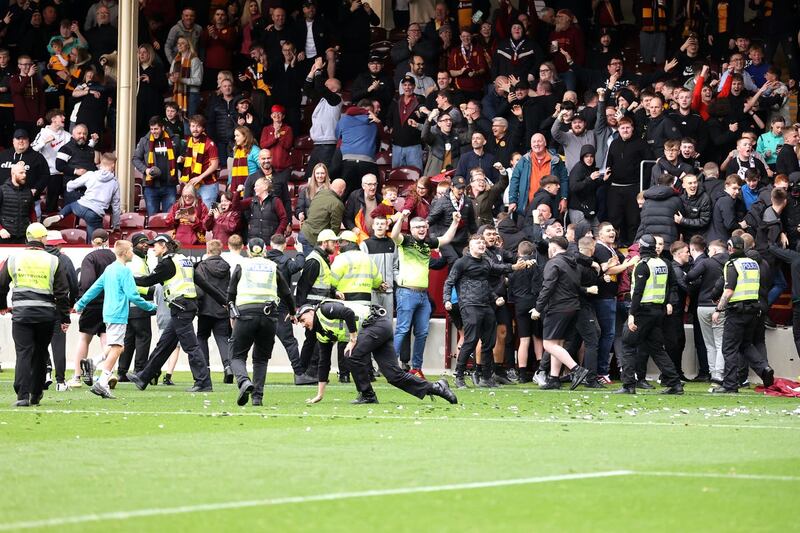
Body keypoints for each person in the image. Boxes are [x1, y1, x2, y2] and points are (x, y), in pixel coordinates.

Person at [296, 300, 457, 405]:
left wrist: (352, 340)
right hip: (376, 329)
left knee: (351, 355)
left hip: (376, 323)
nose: (303, 324)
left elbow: (348, 313)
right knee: (394, 376)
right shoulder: (320, 334)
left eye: (303, 320)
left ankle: (367, 396)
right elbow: (324, 364)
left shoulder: (323, 309)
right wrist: (320, 395)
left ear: (310, 312)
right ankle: (437, 387)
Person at [126, 234, 227, 393]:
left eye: (156, 246)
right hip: (185, 306)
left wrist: (126, 277)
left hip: (181, 307)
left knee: (191, 346)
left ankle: (203, 382)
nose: (153, 249)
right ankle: (143, 377)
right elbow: (204, 284)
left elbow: (147, 281)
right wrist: (224, 301)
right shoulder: (183, 260)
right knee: (164, 345)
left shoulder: (167, 263)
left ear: (164, 245)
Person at [445, 233, 532, 388]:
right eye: (478, 242)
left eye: (482, 243)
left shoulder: (486, 262)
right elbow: (449, 282)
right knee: (471, 340)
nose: (482, 244)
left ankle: (486, 378)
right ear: (470, 245)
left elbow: (490, 276)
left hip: (486, 304)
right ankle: (459, 375)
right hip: (469, 304)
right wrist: (446, 299)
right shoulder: (461, 262)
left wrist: (495, 295)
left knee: (489, 342)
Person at [74, 240, 158, 399]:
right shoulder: (124, 271)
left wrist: (81, 303)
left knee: (116, 345)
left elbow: (95, 288)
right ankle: (102, 382)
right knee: (118, 348)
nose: (133, 253)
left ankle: (93, 362)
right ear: (125, 253)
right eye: (131, 250)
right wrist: (151, 307)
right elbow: (133, 295)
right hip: (118, 314)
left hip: (108, 313)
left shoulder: (109, 269)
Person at [0, 223, 70, 407]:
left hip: (21, 314)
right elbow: (62, 292)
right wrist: (64, 318)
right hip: (45, 315)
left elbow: (1, 285)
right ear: (43, 239)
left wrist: (2, 306)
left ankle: (22, 395)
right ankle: (36, 393)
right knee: (40, 353)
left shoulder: (13, 259)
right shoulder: (54, 261)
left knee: (23, 353)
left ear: (27, 237)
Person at [228, 237, 296, 406]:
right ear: (265, 251)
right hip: (269, 316)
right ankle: (257, 398)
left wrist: (231, 314)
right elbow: (287, 293)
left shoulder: (241, 265)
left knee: (236, 355)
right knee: (261, 359)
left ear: (248, 251)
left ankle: (244, 382)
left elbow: (230, 294)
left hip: (245, 314)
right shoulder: (273, 267)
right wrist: (293, 312)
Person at [615, 234, 684, 395]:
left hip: (642, 312)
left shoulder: (642, 265)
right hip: (658, 311)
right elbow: (671, 286)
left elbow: (638, 292)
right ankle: (675, 383)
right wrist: (666, 302)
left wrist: (632, 314)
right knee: (657, 349)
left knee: (627, 344)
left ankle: (628, 384)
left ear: (641, 247)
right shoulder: (664, 263)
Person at [711, 236, 775, 393]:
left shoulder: (731, 265)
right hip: (753, 310)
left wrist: (719, 309)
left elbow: (728, 291)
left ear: (731, 248)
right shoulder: (753, 264)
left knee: (729, 348)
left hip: (737, 311)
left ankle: (730, 385)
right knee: (746, 345)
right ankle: (764, 368)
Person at [529, 236, 591, 390]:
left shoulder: (554, 263)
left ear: (553, 247)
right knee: (558, 343)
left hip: (558, 307)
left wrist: (538, 308)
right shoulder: (573, 264)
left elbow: (547, 287)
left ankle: (577, 369)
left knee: (549, 344)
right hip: (573, 306)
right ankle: (554, 378)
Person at [67, 229, 115, 388]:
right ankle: (108, 373)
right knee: (106, 339)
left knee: (83, 339)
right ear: (108, 240)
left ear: (92, 241)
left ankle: (77, 377)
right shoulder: (114, 256)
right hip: (110, 303)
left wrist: (81, 300)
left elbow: (87, 282)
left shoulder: (90, 257)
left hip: (93, 303)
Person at [267, 233, 314, 384]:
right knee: (290, 342)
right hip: (280, 307)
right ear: (285, 244)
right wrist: (299, 250)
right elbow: (299, 265)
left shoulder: (263, 260)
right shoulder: (286, 261)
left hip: (262, 307)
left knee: (257, 342)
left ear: (270, 243)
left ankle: (239, 372)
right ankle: (299, 374)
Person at [43, 152, 121, 242]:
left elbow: (73, 184)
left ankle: (61, 215)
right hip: (94, 213)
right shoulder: (114, 182)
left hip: (80, 207)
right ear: (113, 165)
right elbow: (116, 206)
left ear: (101, 164)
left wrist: (69, 188)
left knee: (71, 206)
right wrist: (116, 225)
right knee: (97, 240)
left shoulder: (91, 174)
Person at [116, 233, 155, 382]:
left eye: (147, 243)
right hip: (138, 305)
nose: (146, 245)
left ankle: (122, 371)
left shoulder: (137, 260)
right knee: (143, 338)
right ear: (133, 245)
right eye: (142, 242)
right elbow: (134, 285)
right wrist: (150, 291)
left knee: (129, 339)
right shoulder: (137, 261)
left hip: (128, 307)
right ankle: (139, 370)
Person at [194, 239, 233, 384]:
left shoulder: (202, 267)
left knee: (202, 337)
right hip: (222, 308)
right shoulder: (226, 267)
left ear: (207, 250)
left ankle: (205, 368)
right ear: (220, 251)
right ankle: (228, 367)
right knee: (223, 338)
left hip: (205, 309)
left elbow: (199, 289)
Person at [44, 230, 77, 392]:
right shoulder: (64, 259)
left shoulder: (37, 258)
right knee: (58, 345)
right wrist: (70, 306)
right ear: (57, 244)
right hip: (58, 307)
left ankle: (45, 372)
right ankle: (60, 381)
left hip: (39, 305)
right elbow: (73, 285)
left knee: (38, 343)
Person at [131, 116, 180, 216]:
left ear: (162, 128)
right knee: (152, 219)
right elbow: (135, 159)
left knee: (169, 219)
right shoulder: (144, 140)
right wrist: (146, 170)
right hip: (151, 187)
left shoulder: (174, 139)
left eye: (156, 129)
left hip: (169, 185)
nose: (154, 131)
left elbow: (182, 156)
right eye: (152, 129)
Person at [179, 115, 220, 209]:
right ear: (189, 127)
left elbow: (215, 165)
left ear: (203, 128)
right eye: (193, 126)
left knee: (207, 215)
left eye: (198, 126)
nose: (195, 129)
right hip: (192, 183)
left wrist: (199, 177)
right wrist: (183, 159)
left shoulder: (210, 144)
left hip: (208, 184)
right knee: (193, 213)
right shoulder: (189, 141)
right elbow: (192, 158)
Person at [359, 217, 396, 312]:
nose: (380, 226)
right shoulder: (365, 244)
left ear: (387, 227)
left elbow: (396, 266)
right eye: (377, 224)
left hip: (389, 291)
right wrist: (377, 284)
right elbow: (363, 269)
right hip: (372, 291)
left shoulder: (393, 244)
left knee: (387, 323)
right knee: (372, 322)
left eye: (382, 224)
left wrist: (392, 283)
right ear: (373, 226)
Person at [0, 161, 36, 244]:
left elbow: (31, 212)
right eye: (21, 173)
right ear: (13, 174)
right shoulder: (2, 190)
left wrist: (34, 226)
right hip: (4, 236)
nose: (24, 175)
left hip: (23, 236)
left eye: (25, 173)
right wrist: (0, 229)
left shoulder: (28, 191)